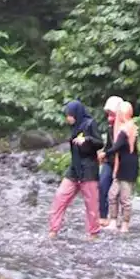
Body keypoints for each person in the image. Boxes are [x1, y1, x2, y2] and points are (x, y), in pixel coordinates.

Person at [48, 100, 104, 240]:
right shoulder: (74, 127)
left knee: (91, 203)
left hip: (89, 169)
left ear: (76, 114)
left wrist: (87, 140)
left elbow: (100, 143)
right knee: (60, 197)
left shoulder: (90, 123)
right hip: (74, 168)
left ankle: (94, 233)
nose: (68, 118)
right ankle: (53, 229)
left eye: (70, 115)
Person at [106, 101, 138, 233]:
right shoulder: (128, 128)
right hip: (120, 166)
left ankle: (125, 223)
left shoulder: (127, 129)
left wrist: (104, 154)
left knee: (125, 197)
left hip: (127, 168)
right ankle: (113, 221)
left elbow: (116, 147)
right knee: (112, 194)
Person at [98, 95, 123, 227]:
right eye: (108, 114)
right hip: (109, 161)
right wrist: (102, 154)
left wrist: (106, 153)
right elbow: (109, 145)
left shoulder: (126, 129)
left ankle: (117, 217)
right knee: (102, 185)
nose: (109, 118)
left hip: (122, 163)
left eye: (112, 114)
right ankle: (102, 215)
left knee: (118, 192)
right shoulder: (109, 128)